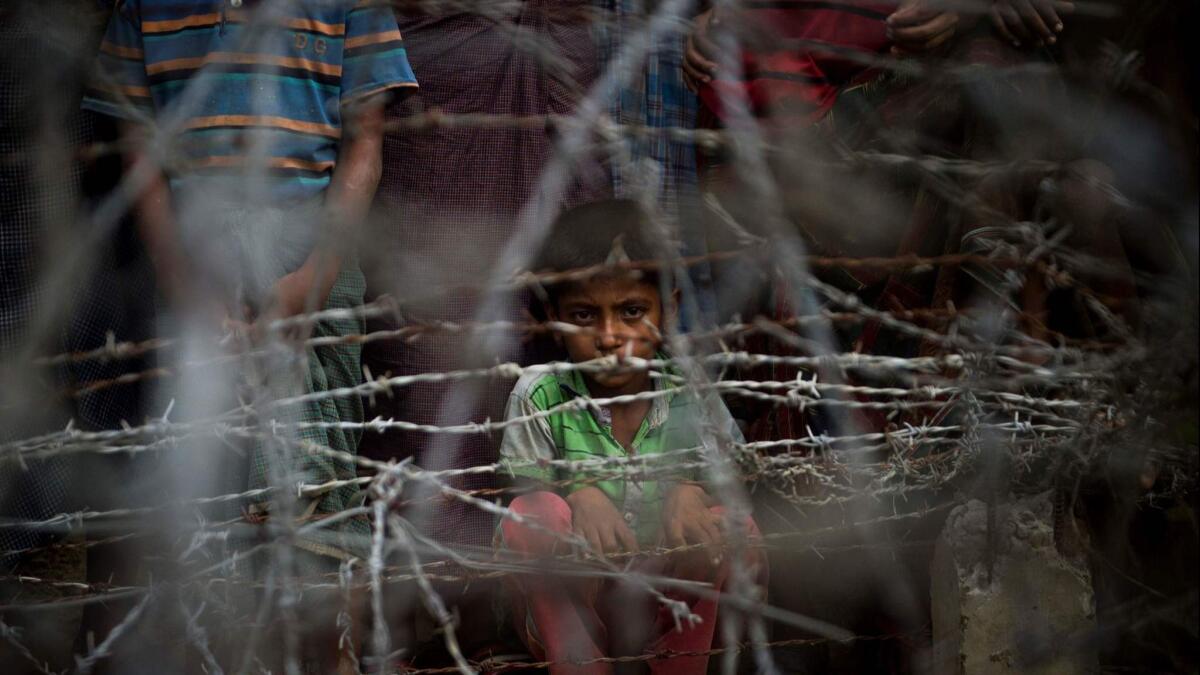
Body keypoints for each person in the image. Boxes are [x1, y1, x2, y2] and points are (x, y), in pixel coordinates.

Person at [495, 199, 767, 675]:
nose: (609, 337)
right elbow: (522, 492)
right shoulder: (539, 392)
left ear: (669, 310)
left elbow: (740, 473)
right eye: (583, 316)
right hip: (579, 588)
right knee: (533, 515)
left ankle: (681, 662)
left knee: (731, 524)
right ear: (552, 317)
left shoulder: (691, 393)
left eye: (632, 311)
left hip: (667, 587)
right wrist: (578, 493)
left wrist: (690, 489)